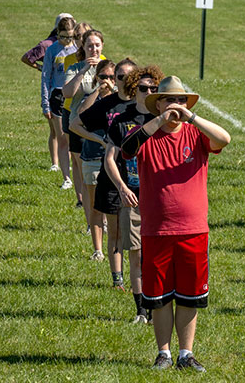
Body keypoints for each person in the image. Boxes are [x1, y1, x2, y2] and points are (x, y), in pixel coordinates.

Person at [120, 76, 231, 370]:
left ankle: (186, 353)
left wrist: (192, 117)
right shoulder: (146, 134)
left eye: (181, 100)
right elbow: (127, 148)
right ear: (158, 105)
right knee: (158, 298)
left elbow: (224, 138)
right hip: (156, 229)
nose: (176, 106)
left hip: (193, 229)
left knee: (190, 297)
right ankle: (164, 353)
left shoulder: (196, 134)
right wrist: (159, 122)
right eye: (170, 100)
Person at [106, 64, 165, 323]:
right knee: (136, 253)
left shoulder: (163, 120)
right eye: (143, 88)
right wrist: (122, 186)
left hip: (160, 197)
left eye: (154, 89)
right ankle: (142, 310)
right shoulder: (122, 120)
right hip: (133, 194)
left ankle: (157, 305)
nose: (148, 92)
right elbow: (110, 158)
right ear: (134, 89)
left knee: (157, 255)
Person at [73, 58, 137, 290]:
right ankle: (117, 280)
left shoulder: (143, 105)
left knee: (138, 234)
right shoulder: (108, 104)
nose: (125, 81)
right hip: (111, 175)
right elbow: (76, 124)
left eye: (131, 77)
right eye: (120, 77)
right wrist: (100, 139)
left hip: (139, 176)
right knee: (116, 230)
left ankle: (137, 279)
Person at [64, 27, 107, 244]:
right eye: (90, 45)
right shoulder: (74, 67)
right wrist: (83, 71)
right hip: (79, 128)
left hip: (102, 130)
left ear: (102, 46)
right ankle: (92, 224)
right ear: (83, 47)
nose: (94, 49)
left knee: (105, 175)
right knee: (85, 177)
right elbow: (68, 93)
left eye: (97, 45)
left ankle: (105, 221)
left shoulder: (108, 68)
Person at [70, 59, 115, 263]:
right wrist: (97, 90)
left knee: (117, 207)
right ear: (97, 78)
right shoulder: (92, 99)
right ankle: (98, 250)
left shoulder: (120, 101)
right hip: (93, 156)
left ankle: (117, 246)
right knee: (95, 206)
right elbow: (77, 120)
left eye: (112, 77)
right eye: (103, 76)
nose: (107, 81)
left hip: (116, 159)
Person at [40, 16, 75, 185]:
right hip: (57, 96)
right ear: (57, 34)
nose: (66, 41)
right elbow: (46, 77)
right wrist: (45, 103)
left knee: (73, 136)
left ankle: (75, 169)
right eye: (62, 37)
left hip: (74, 95)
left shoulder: (77, 48)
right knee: (61, 137)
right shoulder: (52, 50)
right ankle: (66, 178)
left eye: (70, 36)